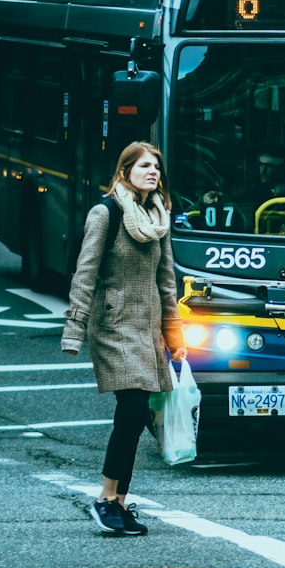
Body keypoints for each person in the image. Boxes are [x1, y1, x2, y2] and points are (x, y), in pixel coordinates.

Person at [60, 142, 187, 536]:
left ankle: (119, 502)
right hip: (114, 326)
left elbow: (167, 281)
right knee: (132, 407)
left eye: (157, 168)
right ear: (124, 170)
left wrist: (174, 333)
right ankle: (105, 497)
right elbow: (85, 273)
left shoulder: (158, 217)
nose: (153, 172)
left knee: (137, 415)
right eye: (145, 165)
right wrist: (74, 330)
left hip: (147, 329)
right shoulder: (106, 213)